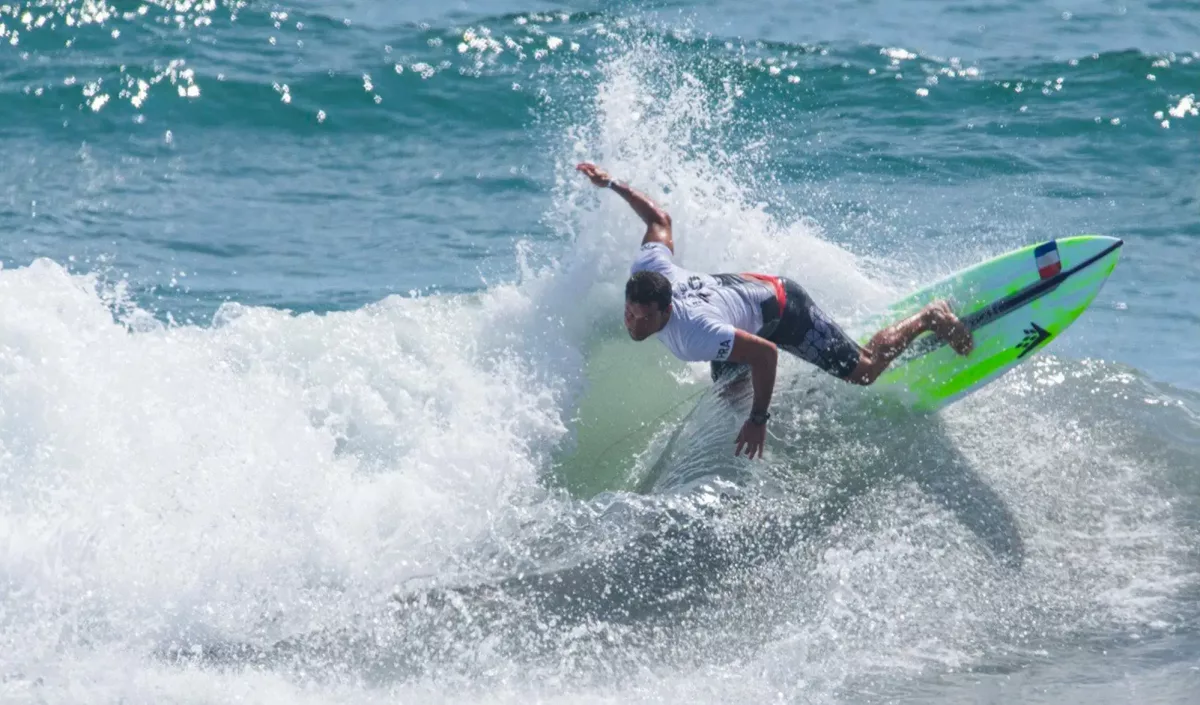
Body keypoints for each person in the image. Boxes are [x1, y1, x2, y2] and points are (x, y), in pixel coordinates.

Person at [577, 162, 974, 460]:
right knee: (731, 397)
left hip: (783, 309)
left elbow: (763, 353)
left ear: (666, 309)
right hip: (744, 304)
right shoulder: (649, 269)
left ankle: (930, 318)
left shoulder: (695, 332)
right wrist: (610, 183)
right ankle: (790, 388)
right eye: (630, 314)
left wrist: (759, 419)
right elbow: (659, 218)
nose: (633, 323)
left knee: (864, 372)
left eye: (644, 318)